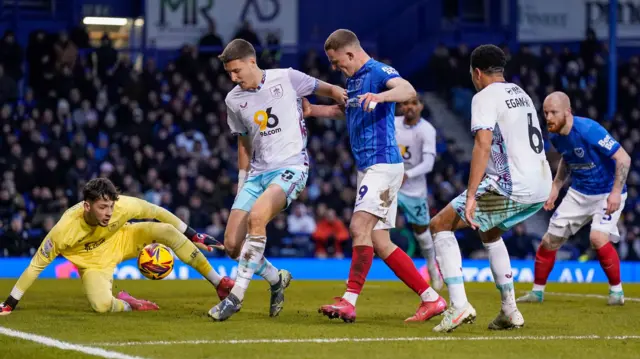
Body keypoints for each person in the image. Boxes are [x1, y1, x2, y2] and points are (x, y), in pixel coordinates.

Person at [304, 29, 446, 323]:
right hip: (368, 166)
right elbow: (346, 111)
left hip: (383, 163)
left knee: (359, 227)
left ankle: (349, 300)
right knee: (380, 242)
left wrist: (381, 97)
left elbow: (408, 91)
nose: (335, 67)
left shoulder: (378, 71)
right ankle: (431, 299)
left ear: (351, 53)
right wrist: (312, 110)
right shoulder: (353, 80)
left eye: (336, 61)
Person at [208, 39, 346, 321]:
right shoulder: (233, 100)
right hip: (256, 174)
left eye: (236, 71)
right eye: (229, 74)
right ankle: (275, 279)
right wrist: (241, 183)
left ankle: (235, 298)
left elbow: (331, 91)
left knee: (257, 218)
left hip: (291, 167)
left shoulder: (288, 77)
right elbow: (244, 144)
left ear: (251, 62)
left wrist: (349, 100)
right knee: (232, 245)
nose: (233, 78)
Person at [428, 44, 552, 332]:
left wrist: (471, 196)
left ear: (477, 72)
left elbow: (482, 144)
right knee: (489, 230)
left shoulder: (484, 96)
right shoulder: (520, 93)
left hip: (513, 185)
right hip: (540, 184)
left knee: (439, 225)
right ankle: (509, 310)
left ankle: (458, 306)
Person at [0, 178, 230, 315]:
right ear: (87, 206)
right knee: (101, 306)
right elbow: (35, 267)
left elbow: (157, 212)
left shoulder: (121, 207)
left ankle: (218, 283)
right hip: (93, 263)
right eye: (102, 207)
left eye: (110, 205)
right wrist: (10, 303)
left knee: (166, 231)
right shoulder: (63, 230)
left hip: (123, 239)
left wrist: (193, 234)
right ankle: (128, 303)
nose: (109, 213)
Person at [517, 91, 630, 306]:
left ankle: (617, 292)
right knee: (549, 241)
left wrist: (616, 192)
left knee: (597, 238)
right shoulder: (555, 135)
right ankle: (537, 292)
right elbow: (567, 160)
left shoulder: (589, 130)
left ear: (567, 112)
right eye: (546, 112)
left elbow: (623, 158)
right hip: (579, 193)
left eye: (553, 112)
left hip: (607, 192)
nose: (548, 117)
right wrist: (556, 186)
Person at [395, 96, 442, 290]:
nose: (409, 107)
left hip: (414, 190)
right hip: (391, 185)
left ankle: (432, 267)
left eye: (413, 104)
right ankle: (358, 275)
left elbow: (429, 164)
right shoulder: (393, 123)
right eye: (405, 104)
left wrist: (408, 174)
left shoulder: (427, 130)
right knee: (372, 225)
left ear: (421, 106)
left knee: (422, 233)